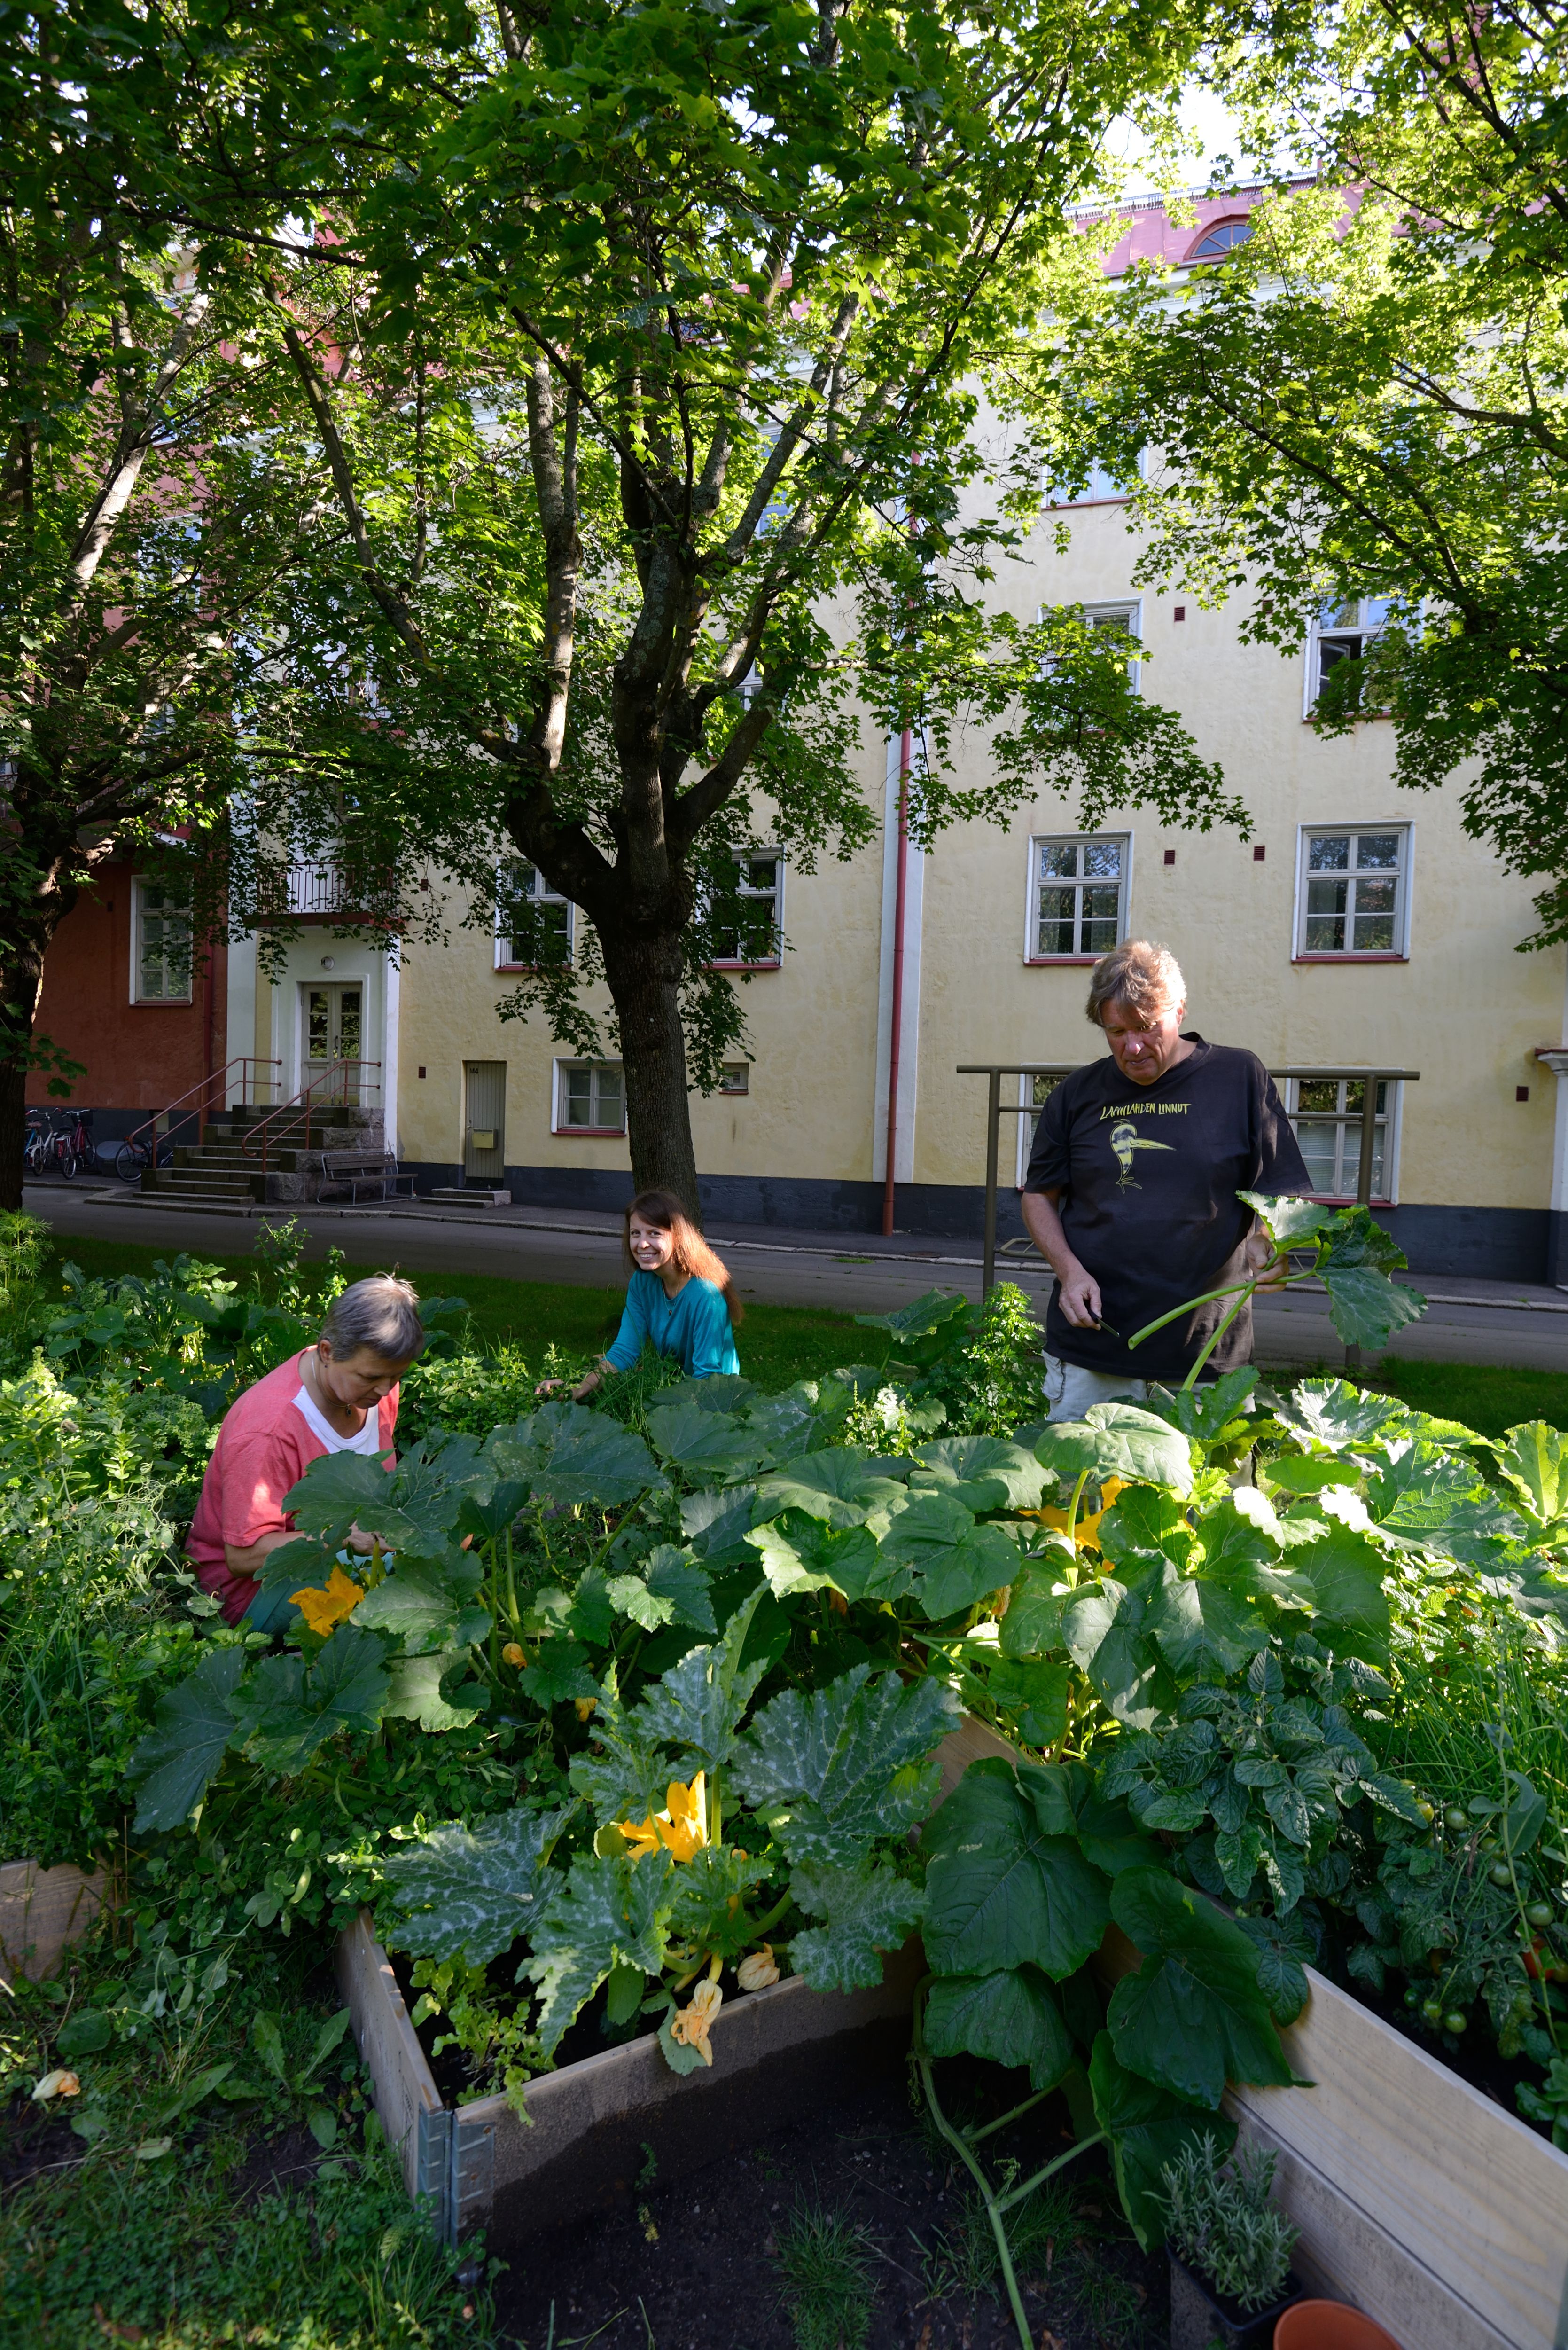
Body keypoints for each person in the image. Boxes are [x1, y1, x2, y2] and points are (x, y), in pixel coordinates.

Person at [1020, 939, 1311, 1419]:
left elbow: (1277, 1186)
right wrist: (1069, 1273)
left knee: (1208, 1494)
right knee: (1078, 1493)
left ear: (1179, 1010)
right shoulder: (1076, 1094)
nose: (1131, 1047)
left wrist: (1267, 1239)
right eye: (1115, 1031)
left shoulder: (1238, 1076)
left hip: (1204, 1357)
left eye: (1145, 1027)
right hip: (1093, 1351)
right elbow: (1039, 1196)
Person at [187, 1275, 425, 1628]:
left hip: (340, 1558)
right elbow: (242, 1556)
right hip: (251, 1593)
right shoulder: (269, 1429)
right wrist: (344, 1534)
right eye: (370, 1377)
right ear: (327, 1352)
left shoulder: (376, 1385)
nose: (386, 1389)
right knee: (411, 1599)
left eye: (396, 1375)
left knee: (450, 1542)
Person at [543, 1189, 741, 1402]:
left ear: (678, 1237)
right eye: (636, 1233)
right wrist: (576, 1390)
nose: (642, 1244)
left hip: (715, 1398)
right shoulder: (641, 1283)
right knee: (600, 1362)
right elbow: (625, 1351)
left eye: (654, 1233)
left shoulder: (705, 1294)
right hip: (671, 1380)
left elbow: (708, 1377)